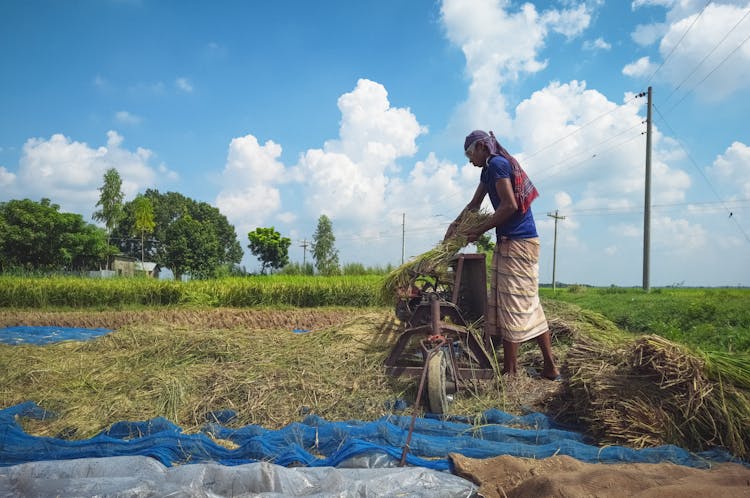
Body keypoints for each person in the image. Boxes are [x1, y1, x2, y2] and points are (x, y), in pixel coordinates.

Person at [445, 130, 559, 380]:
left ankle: (511, 372)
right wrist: (455, 225)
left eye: (469, 153)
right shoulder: (488, 170)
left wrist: (478, 229)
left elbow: (510, 205)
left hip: (519, 243)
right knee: (525, 304)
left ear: (482, 147)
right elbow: (475, 204)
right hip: (509, 243)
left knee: (512, 306)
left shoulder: (497, 164)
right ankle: (548, 367)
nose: (468, 159)